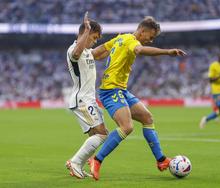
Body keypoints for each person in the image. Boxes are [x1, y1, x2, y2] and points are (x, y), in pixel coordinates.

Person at [87, 16, 187, 180]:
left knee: (147, 117)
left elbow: (97, 54)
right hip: (111, 91)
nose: (151, 40)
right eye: (151, 36)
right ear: (142, 31)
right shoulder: (132, 41)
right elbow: (139, 50)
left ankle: (161, 160)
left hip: (120, 90)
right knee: (127, 127)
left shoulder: (120, 38)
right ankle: (96, 160)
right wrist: (167, 52)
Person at [65, 12, 110, 179]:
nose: (95, 40)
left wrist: (118, 44)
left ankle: (78, 164)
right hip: (82, 100)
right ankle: (75, 162)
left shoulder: (88, 52)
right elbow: (77, 53)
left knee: (96, 135)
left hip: (89, 100)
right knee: (102, 133)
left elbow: (101, 52)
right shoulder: (73, 50)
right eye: (94, 36)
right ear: (86, 32)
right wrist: (86, 31)